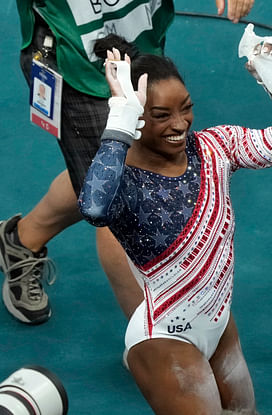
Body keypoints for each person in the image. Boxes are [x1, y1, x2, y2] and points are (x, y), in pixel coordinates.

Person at [77, 30, 272, 413]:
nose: (180, 123)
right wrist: (118, 122)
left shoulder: (216, 147)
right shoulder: (127, 183)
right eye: (161, 115)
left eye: (186, 108)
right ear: (135, 114)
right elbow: (93, 208)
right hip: (162, 339)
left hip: (218, 322)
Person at [1, 0, 255, 325]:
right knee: (118, 198)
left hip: (134, 32)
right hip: (75, 55)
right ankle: (155, 333)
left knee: (115, 165)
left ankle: (22, 239)